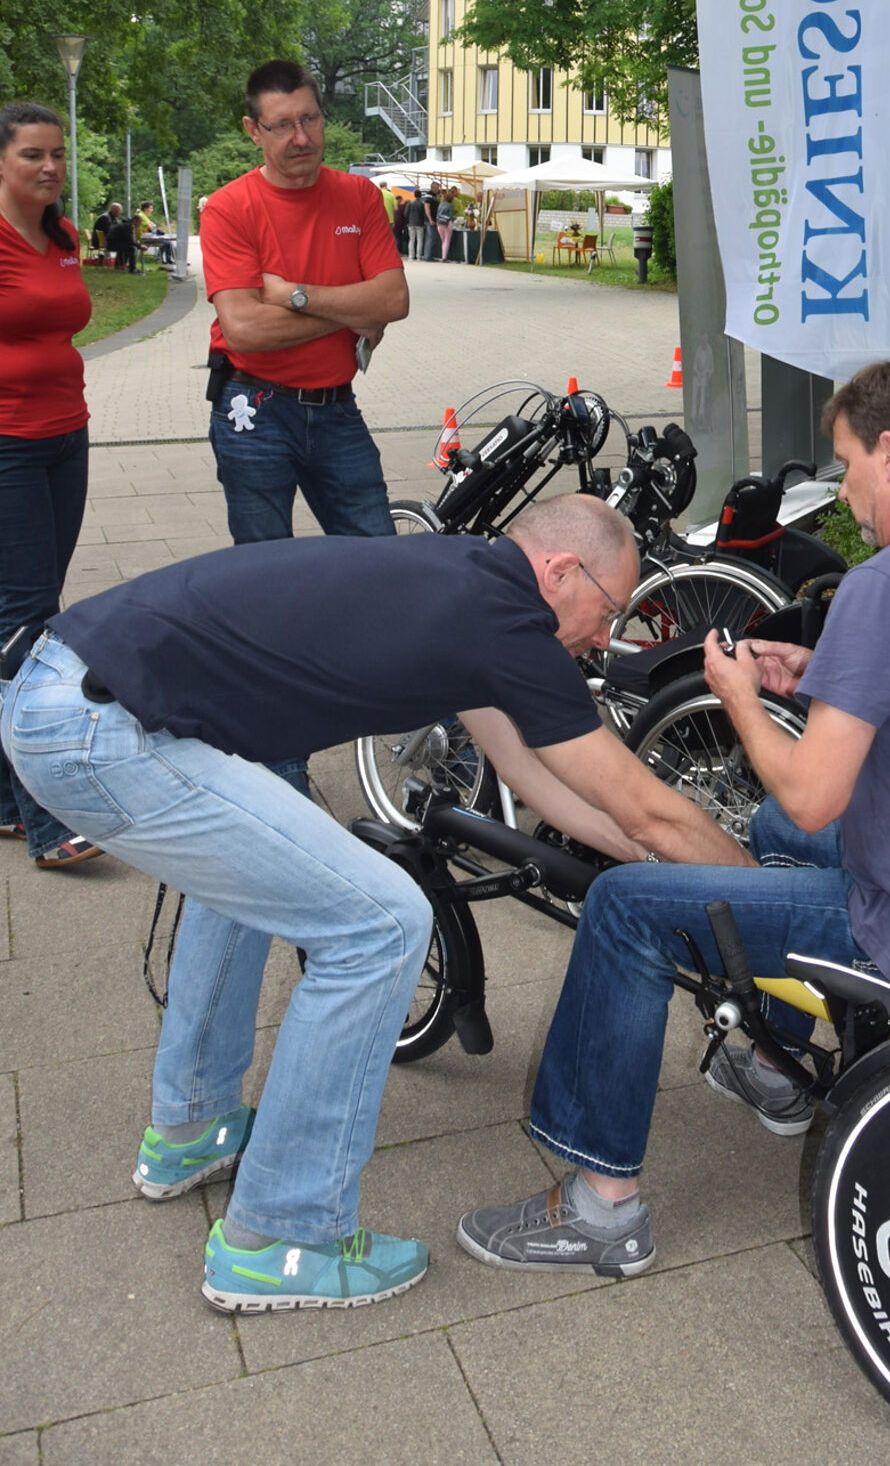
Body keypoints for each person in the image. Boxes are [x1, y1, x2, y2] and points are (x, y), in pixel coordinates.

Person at [0, 496, 744, 1311]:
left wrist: (648, 858)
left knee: (257, 873)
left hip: (62, 694)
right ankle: (281, 1232)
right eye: (606, 611)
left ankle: (193, 1126)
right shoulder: (502, 618)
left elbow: (543, 779)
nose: (605, 637)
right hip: (100, 729)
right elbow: (651, 806)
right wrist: (755, 889)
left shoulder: (464, 587)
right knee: (383, 921)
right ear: (559, 571)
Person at [458, 358, 890, 1278]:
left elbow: (813, 792)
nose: (845, 486)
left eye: (846, 461)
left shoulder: (888, 584)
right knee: (771, 845)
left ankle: (601, 1209)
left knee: (630, 903)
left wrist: (739, 695)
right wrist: (812, 677)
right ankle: (761, 1041)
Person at [199, 61, 406, 544]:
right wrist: (353, 312)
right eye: (283, 125)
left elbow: (393, 299)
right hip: (252, 405)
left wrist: (293, 294)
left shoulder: (359, 196)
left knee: (378, 557)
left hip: (336, 407)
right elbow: (245, 329)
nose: (302, 138)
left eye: (310, 119)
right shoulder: (230, 208)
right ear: (253, 131)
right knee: (264, 571)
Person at [0, 101, 102, 869]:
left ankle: (5, 799)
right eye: (33, 153)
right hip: (8, 445)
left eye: (57, 154)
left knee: (21, 614)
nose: (50, 166)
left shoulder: (62, 236)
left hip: (67, 435)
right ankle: (43, 817)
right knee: (31, 623)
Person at [404, 187, 430, 262]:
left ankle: (411, 256)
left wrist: (409, 219)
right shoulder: (422, 204)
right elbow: (424, 214)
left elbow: (406, 214)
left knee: (411, 240)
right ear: (420, 196)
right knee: (419, 240)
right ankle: (418, 256)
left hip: (411, 223)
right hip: (420, 223)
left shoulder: (410, 204)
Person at [436, 187, 456, 261]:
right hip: (447, 223)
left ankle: (443, 255)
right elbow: (451, 216)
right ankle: (444, 257)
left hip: (439, 223)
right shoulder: (451, 206)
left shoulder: (440, 205)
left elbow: (437, 214)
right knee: (446, 240)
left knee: (443, 240)